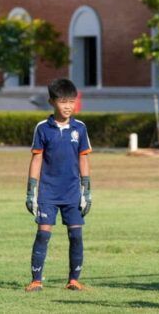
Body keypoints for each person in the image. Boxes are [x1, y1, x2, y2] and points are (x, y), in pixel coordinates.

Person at [25, 78, 92, 292]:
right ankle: (36, 280)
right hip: (48, 193)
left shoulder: (79, 128)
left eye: (71, 101)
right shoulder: (43, 128)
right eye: (63, 102)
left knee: (76, 235)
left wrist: (86, 191)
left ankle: (73, 280)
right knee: (43, 234)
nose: (68, 106)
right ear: (51, 102)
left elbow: (83, 159)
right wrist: (31, 191)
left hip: (72, 192)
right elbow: (36, 159)